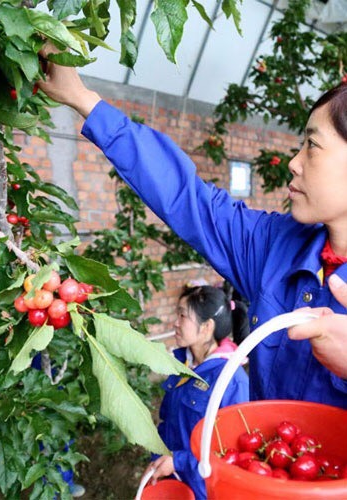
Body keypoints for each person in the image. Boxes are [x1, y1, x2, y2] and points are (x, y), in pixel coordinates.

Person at [37, 59, 347, 409]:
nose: (294, 161)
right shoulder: (276, 247)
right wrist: (82, 98)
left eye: (312, 145)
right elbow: (187, 198)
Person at [143, 285, 249, 498]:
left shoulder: (231, 380)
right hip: (170, 478)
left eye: (183, 316)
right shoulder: (181, 363)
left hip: (204, 489)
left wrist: (178, 462)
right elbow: (167, 420)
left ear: (207, 327)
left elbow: (231, 450)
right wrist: (157, 460)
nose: (175, 323)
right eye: (177, 315)